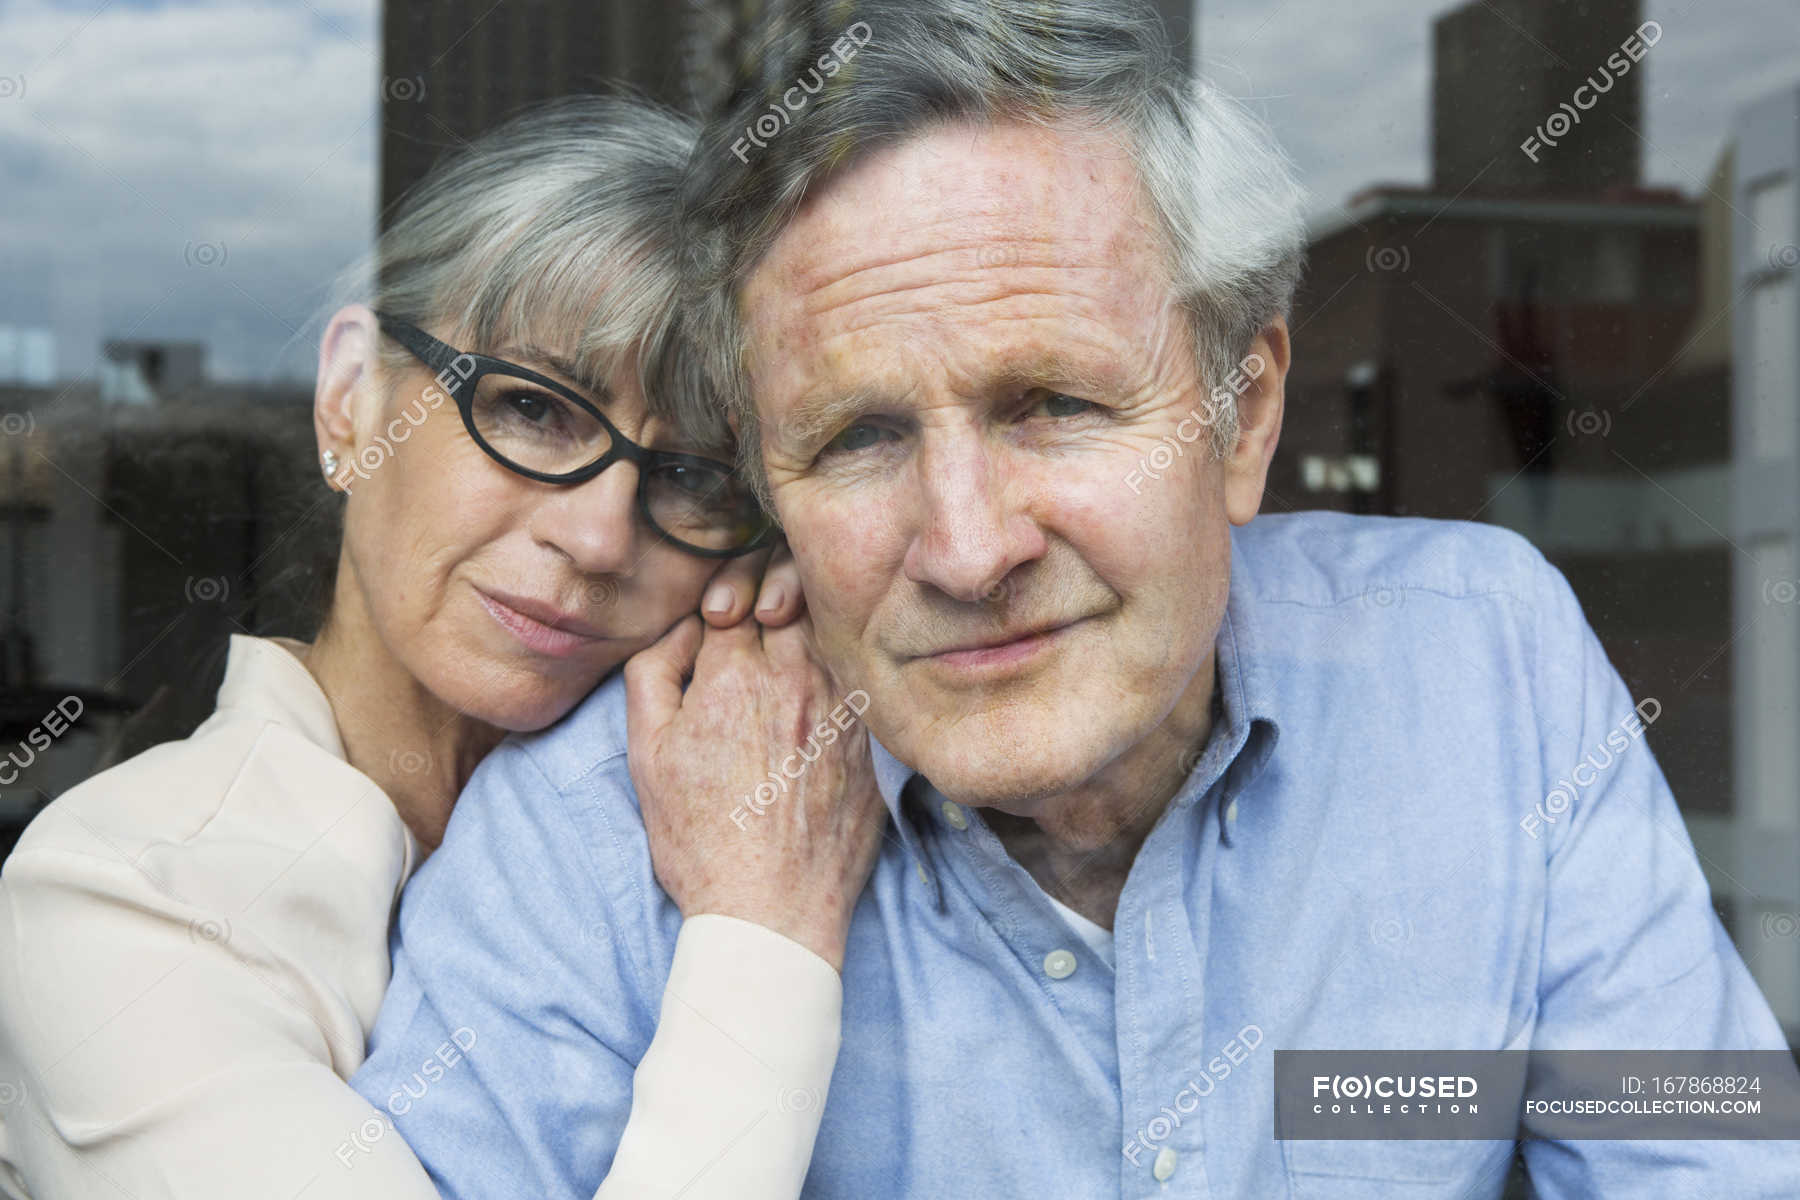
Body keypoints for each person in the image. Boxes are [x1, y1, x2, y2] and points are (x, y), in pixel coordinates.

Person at [351, 2, 1800, 1196]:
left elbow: (1707, 1149)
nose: (969, 549)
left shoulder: (1485, 661)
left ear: (1242, 419)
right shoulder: (597, 832)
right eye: (857, 438)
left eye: (1049, 404)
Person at [0, 95, 882, 1199]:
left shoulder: (771, 806)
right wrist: (763, 937)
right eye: (532, 410)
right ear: (351, 404)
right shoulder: (118, 894)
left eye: (692, 476)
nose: (599, 534)